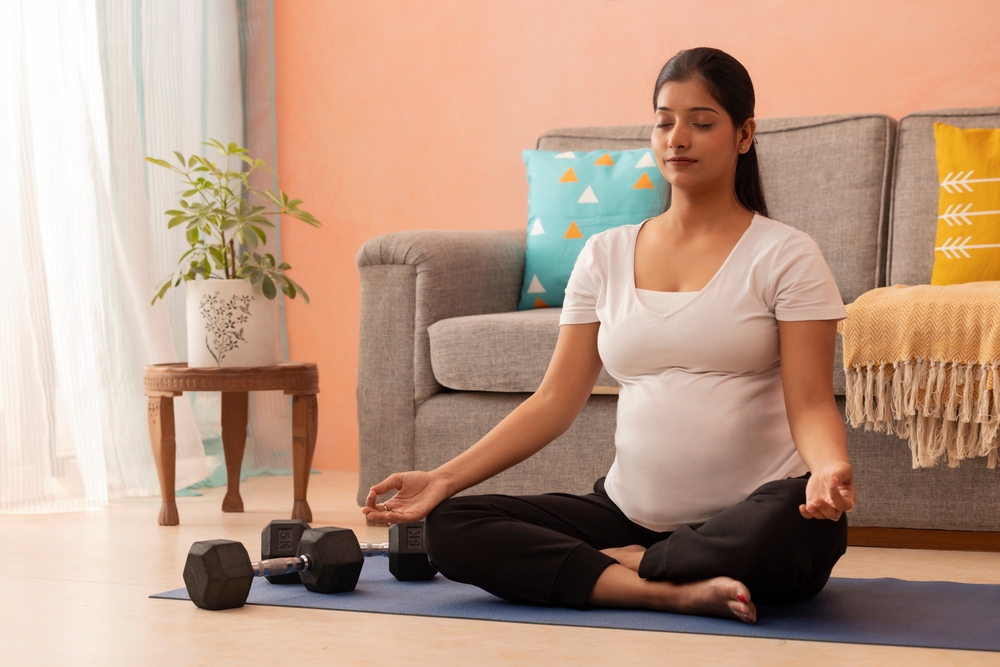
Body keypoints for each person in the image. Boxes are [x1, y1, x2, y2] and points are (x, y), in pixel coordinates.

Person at [362, 47, 856, 624]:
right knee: (451, 526)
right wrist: (443, 477)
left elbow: (813, 400)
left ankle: (629, 566)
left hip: (750, 515)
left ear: (744, 135)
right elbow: (553, 402)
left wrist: (826, 469)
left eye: (701, 123)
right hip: (624, 513)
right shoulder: (606, 253)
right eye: (664, 120)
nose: (678, 138)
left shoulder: (785, 253)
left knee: (793, 527)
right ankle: (665, 585)